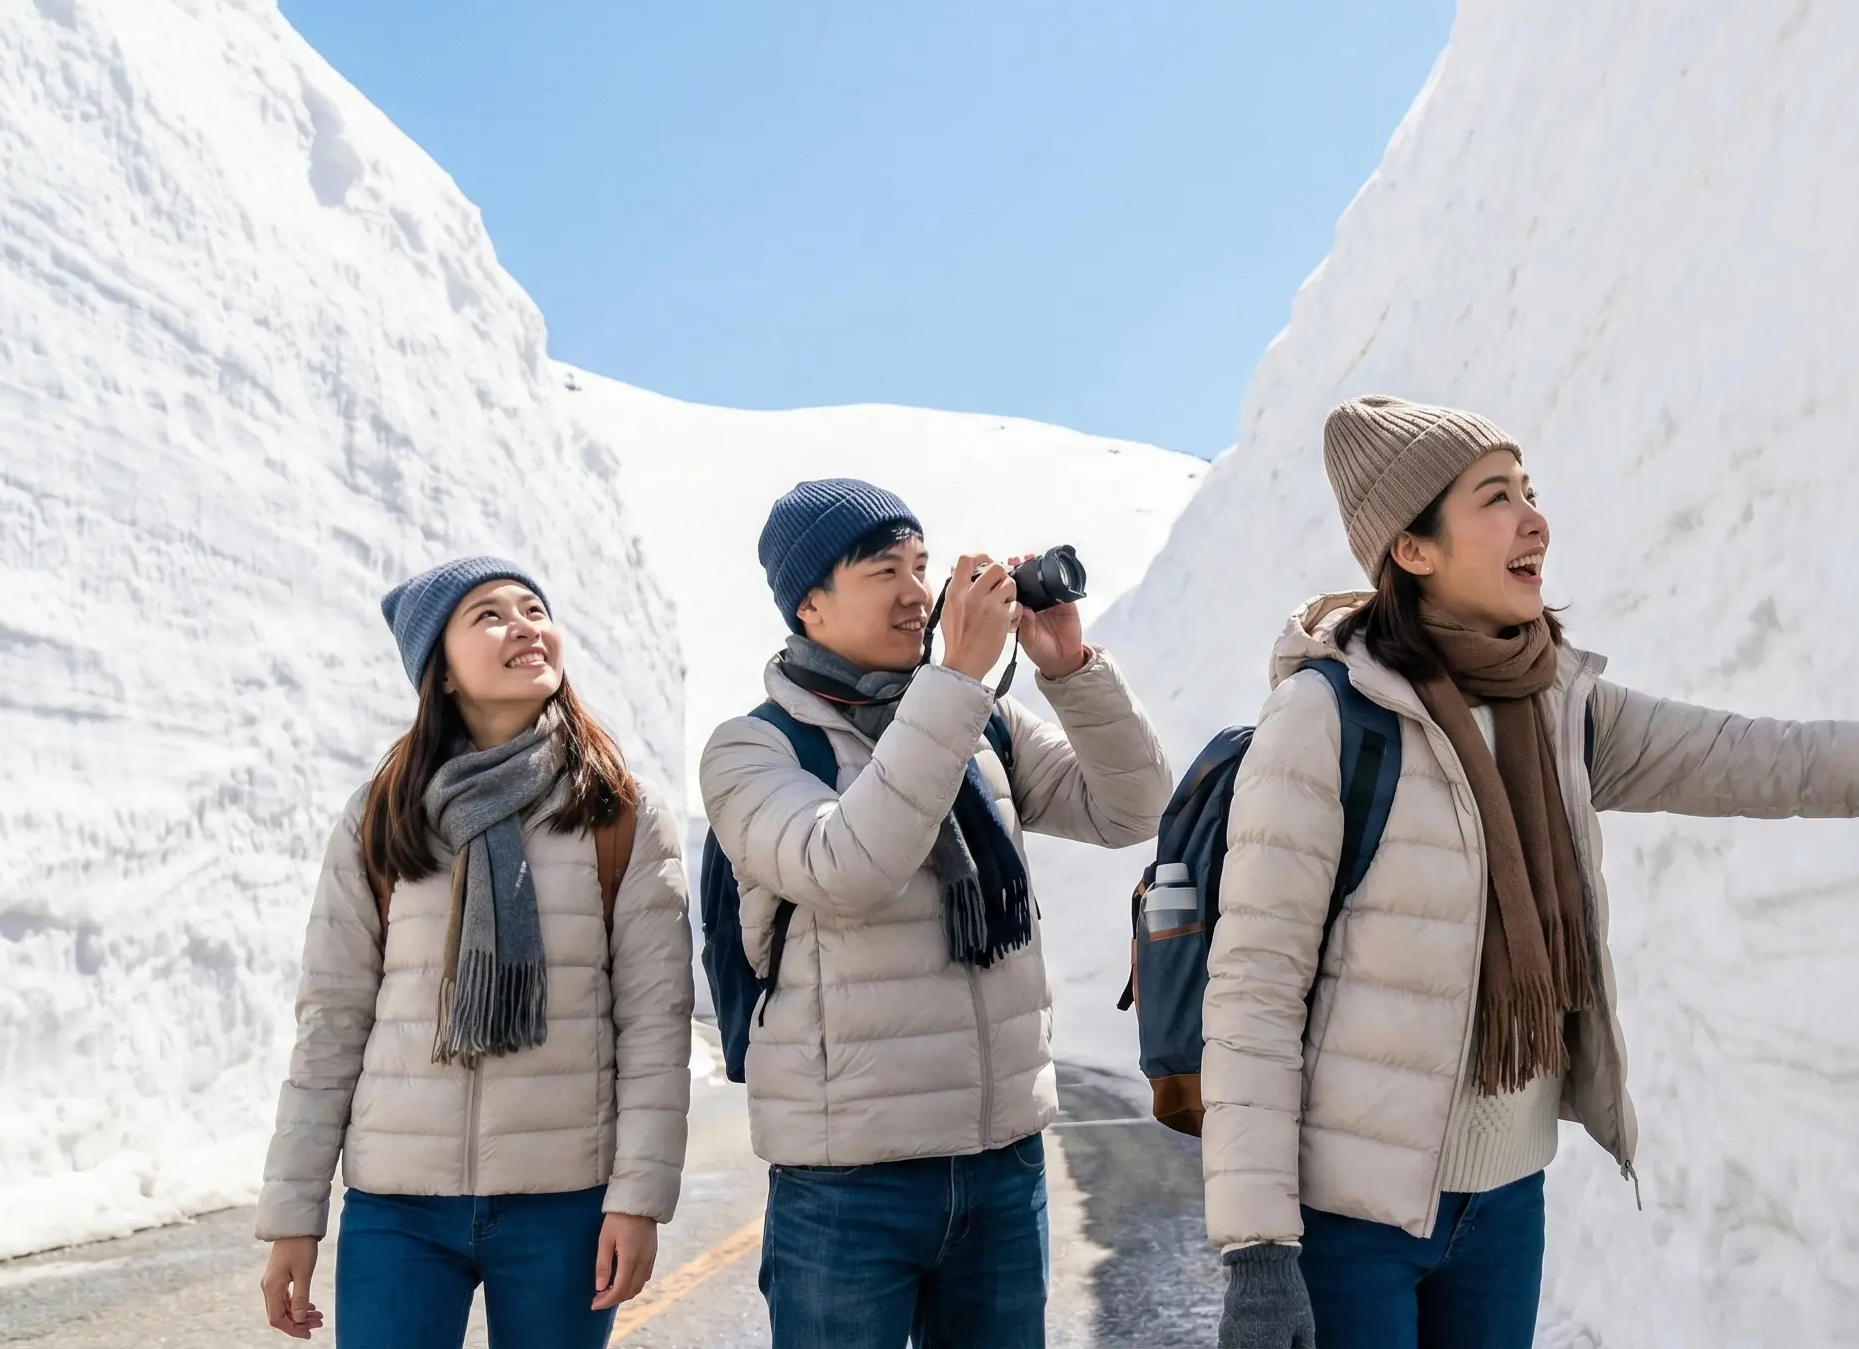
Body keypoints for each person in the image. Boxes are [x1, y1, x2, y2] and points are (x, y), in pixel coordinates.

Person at [1207, 396, 1859, 1349]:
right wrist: (1258, 1252)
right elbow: (1253, 990)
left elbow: (1778, 761)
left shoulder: (1557, 709)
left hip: (1503, 1204)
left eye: (1526, 487)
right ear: (1413, 551)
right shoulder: (1324, 721)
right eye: (1494, 497)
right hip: (1349, 1222)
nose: (1533, 520)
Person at [703, 478, 1175, 1349]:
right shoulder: (755, 747)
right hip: (846, 1186)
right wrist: (954, 678)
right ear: (807, 602)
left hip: (1002, 1168)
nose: (919, 593)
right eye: (886, 569)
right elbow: (845, 866)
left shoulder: (977, 721)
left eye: (922, 566)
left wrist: (1069, 666)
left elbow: (1132, 808)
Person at [256, 557, 693, 1346]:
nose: (524, 625)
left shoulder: (617, 808)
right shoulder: (383, 813)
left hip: (565, 1203)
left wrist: (638, 1199)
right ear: (442, 671)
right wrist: (293, 1217)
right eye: (489, 615)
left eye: (533, 608)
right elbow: (332, 1019)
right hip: (398, 1210)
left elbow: (656, 1025)